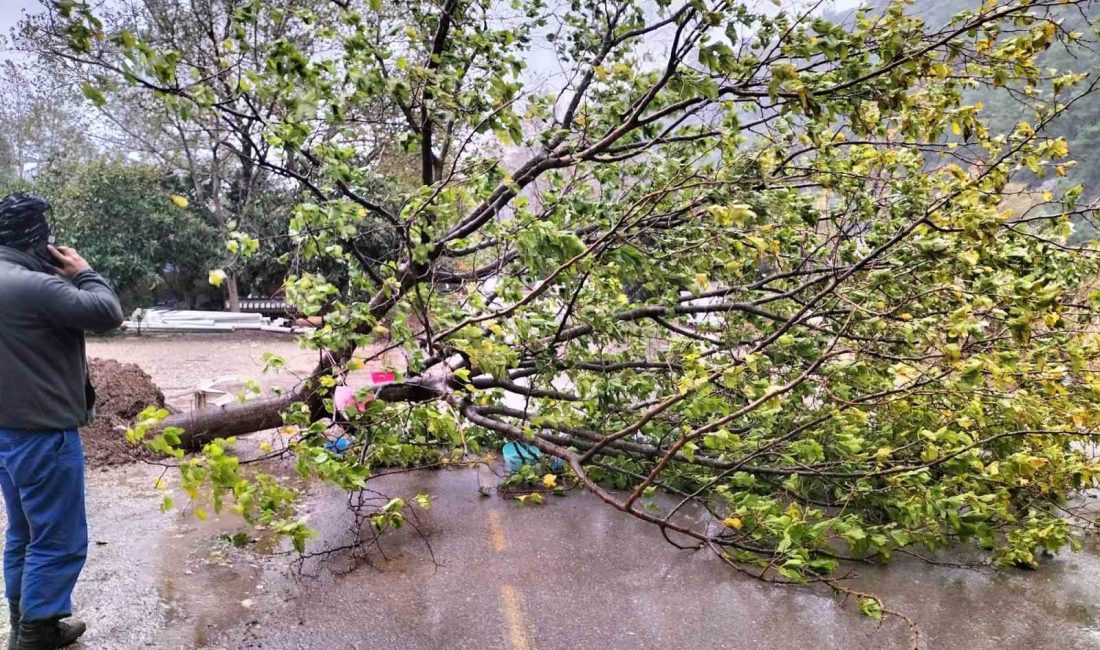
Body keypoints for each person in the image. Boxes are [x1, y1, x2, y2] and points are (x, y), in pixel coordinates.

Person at [0, 193, 123, 649]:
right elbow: (108, 312)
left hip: (5, 434)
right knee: (58, 540)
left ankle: (29, 624)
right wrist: (83, 272)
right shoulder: (35, 286)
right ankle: (35, 638)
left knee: (24, 533)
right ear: (37, 238)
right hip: (42, 436)